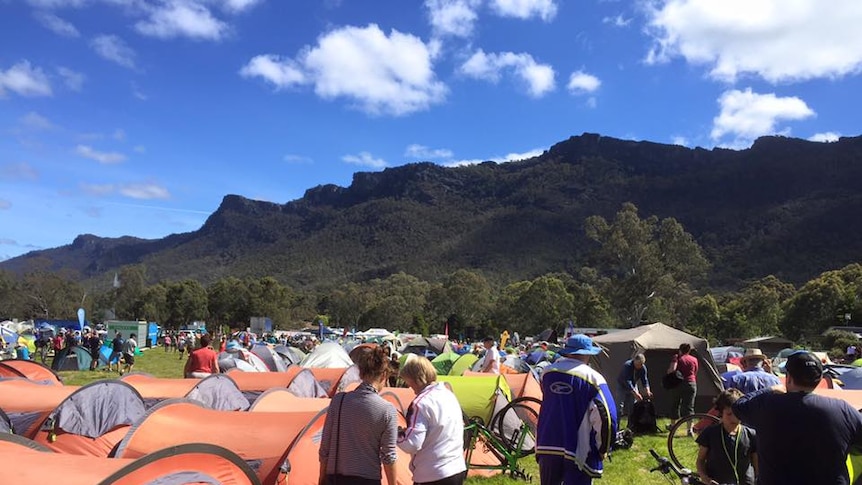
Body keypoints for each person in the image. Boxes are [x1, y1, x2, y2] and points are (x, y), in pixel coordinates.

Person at [733, 350, 862, 485]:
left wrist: (770, 389)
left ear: (788, 377)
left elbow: (738, 406)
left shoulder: (768, 405)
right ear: (819, 379)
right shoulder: (843, 410)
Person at [536, 334, 617, 485]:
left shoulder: (547, 373)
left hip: (546, 443)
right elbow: (607, 416)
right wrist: (603, 447)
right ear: (587, 355)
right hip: (578, 448)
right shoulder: (594, 378)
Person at [319, 345, 397, 485]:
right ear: (384, 375)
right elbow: (388, 456)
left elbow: (325, 447)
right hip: (368, 479)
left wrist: (322, 478)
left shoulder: (338, 401)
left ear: (360, 373)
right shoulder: (387, 410)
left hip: (336, 478)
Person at [397, 357, 467, 485]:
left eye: (409, 382)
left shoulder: (420, 404)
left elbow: (412, 443)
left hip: (432, 474)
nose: (409, 386)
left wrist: (396, 434)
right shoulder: (448, 394)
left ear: (417, 378)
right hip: (456, 467)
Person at [696, 388, 757, 485]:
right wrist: (704, 477)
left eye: (737, 414)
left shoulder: (750, 434)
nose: (734, 418)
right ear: (721, 413)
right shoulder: (710, 433)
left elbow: (756, 462)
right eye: (729, 414)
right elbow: (700, 460)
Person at [667, 343, 699, 433]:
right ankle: (689, 429)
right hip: (691, 383)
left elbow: (672, 370)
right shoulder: (694, 359)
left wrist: (668, 372)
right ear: (689, 351)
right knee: (689, 406)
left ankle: (673, 426)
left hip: (678, 384)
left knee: (675, 404)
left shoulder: (677, 357)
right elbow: (695, 371)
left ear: (680, 350)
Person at [616, 353, 652, 418]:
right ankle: (616, 426)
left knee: (633, 407)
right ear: (634, 360)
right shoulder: (627, 365)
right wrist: (635, 393)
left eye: (641, 365)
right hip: (622, 386)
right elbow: (627, 381)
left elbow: (645, 380)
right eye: (637, 364)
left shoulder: (642, 368)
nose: (639, 366)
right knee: (619, 407)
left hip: (633, 384)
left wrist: (648, 391)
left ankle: (631, 426)